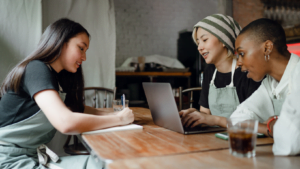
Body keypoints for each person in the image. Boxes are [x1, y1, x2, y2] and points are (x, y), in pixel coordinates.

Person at [0, 18, 134, 168]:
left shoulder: (56, 76)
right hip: (9, 161)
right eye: (81, 48)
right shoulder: (36, 69)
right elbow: (65, 123)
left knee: (106, 162)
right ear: (61, 42)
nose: (84, 57)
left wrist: (111, 115)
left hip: (30, 157)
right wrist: (119, 120)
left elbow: (76, 108)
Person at [232, 18, 300, 155]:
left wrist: (272, 125)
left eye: (242, 54)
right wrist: (271, 126)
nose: (238, 63)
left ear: (267, 48)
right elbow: (236, 120)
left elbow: (290, 144)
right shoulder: (270, 83)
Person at [179, 14, 261, 128]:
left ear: (224, 40)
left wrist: (214, 119)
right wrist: (195, 115)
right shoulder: (210, 71)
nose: (199, 47)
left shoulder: (247, 73)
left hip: (240, 139)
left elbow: (254, 123)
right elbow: (206, 113)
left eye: (204, 40)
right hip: (213, 137)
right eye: (198, 42)